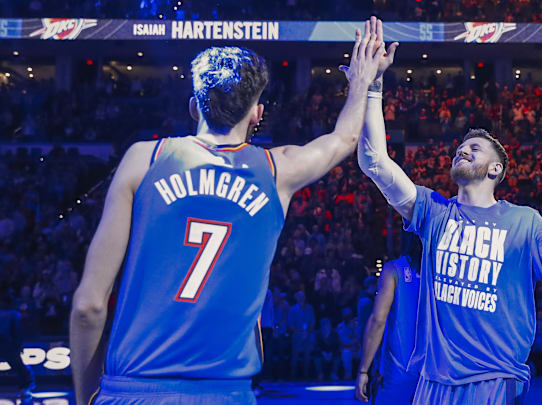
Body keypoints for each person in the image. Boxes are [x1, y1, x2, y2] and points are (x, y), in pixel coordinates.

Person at [70, 17, 387, 405]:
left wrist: (87, 398)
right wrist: (364, 80)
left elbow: (88, 306)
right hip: (225, 394)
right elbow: (345, 138)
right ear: (257, 114)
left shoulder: (144, 159)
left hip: (134, 389)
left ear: (193, 106)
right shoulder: (278, 169)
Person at [354, 80, 542, 403]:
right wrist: (374, 87)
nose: (463, 150)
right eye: (461, 147)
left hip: (493, 381)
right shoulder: (433, 212)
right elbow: (373, 161)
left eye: (474, 149)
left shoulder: (524, 222)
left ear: (495, 169)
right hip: (433, 384)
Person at [355, 232, 422, 404]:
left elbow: (378, 320)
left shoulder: (394, 270)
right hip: (435, 374)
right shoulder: (442, 271)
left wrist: (363, 370)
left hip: (398, 373)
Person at [0, 295, 35, 398]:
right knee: (20, 368)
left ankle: (25, 388)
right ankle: (25, 387)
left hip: (8, 345)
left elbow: (17, 331)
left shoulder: (14, 314)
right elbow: (18, 332)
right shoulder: (14, 314)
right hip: (9, 345)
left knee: (19, 368)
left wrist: (18, 345)